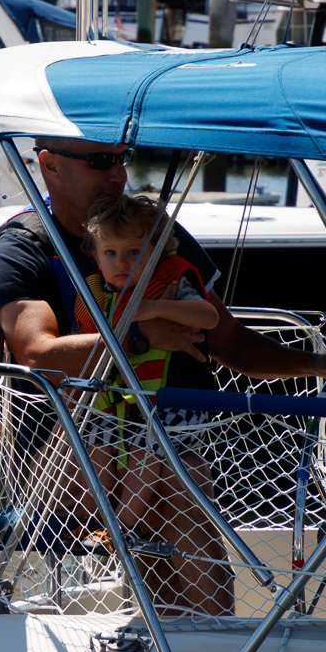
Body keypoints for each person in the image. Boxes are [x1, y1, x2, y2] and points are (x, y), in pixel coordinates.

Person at [0, 137, 326, 616]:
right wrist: (140, 338)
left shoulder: (159, 234)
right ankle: (204, 651)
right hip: (69, 451)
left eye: (122, 161)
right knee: (177, 489)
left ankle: (179, 650)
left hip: (162, 440)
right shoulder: (24, 247)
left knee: (174, 481)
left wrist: (315, 365)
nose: (118, 175)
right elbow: (38, 355)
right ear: (50, 166)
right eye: (102, 162)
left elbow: (226, 340)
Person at [74, 192, 220, 533]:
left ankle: (120, 527)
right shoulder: (97, 295)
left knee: (146, 451)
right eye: (110, 253)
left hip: (173, 402)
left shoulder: (171, 283)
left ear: (159, 253)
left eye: (134, 252)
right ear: (95, 257)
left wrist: (152, 309)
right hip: (123, 400)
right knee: (95, 445)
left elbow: (209, 316)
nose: (121, 263)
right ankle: (90, 518)